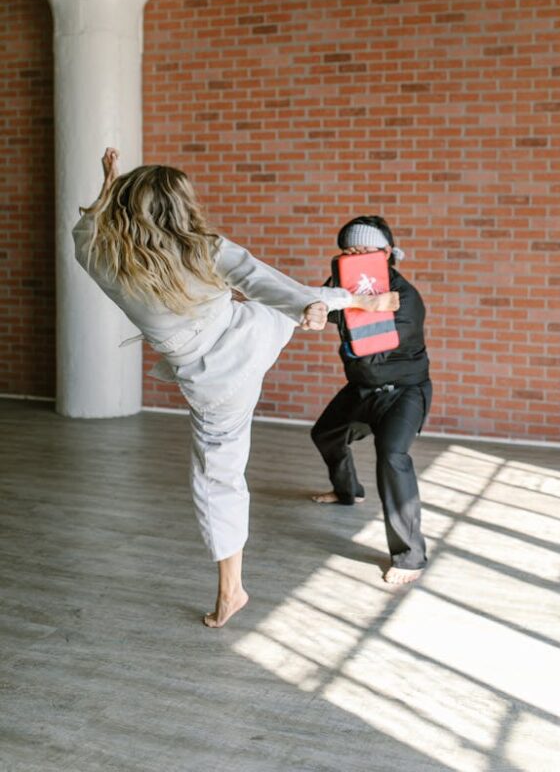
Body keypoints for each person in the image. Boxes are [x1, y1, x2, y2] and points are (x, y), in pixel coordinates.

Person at [73, 150, 399, 627]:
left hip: (215, 379)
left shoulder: (105, 256)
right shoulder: (207, 248)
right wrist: (328, 302)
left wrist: (107, 188)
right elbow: (270, 284)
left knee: (218, 478)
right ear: (183, 207)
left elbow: (83, 232)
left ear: (127, 205)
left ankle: (232, 591)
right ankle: (338, 305)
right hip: (254, 331)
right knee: (286, 304)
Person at [310, 216, 432, 585]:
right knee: (325, 434)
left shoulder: (406, 298)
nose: (358, 254)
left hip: (403, 392)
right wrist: (317, 308)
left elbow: (375, 344)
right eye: (350, 249)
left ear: (388, 253)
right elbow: (321, 307)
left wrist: (349, 306)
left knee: (393, 457)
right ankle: (348, 491)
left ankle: (410, 557)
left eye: (366, 249)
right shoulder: (342, 286)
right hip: (362, 388)